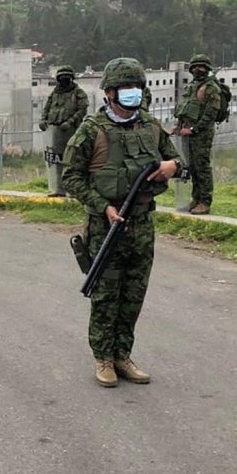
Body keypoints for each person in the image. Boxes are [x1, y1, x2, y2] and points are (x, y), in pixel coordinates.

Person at [62, 57, 182, 388]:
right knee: (105, 295)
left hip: (142, 224)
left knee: (133, 294)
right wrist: (102, 207)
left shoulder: (150, 126)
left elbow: (177, 160)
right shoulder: (92, 130)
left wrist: (174, 166)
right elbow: (71, 177)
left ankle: (122, 356)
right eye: (126, 88)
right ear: (110, 93)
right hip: (107, 225)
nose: (133, 93)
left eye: (137, 88)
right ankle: (103, 359)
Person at [172, 53, 223, 215]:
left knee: (202, 167)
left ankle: (205, 201)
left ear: (207, 69)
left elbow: (210, 114)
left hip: (201, 134)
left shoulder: (211, 89)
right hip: (187, 133)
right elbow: (185, 108)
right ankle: (196, 198)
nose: (197, 69)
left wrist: (194, 129)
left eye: (200, 67)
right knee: (192, 167)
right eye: (194, 67)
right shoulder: (192, 86)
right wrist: (179, 125)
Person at [39, 65, 89, 197]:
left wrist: (70, 122)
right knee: (56, 161)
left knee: (72, 161)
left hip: (72, 131)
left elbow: (82, 110)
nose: (64, 80)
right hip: (55, 132)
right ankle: (58, 189)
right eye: (61, 78)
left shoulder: (78, 93)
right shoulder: (55, 93)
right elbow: (47, 108)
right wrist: (43, 120)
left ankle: (72, 189)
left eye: (66, 78)